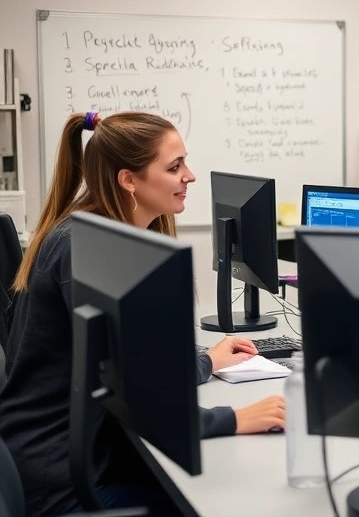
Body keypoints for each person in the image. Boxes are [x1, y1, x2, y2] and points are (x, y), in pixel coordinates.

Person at [0, 112, 287, 516]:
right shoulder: (86, 249)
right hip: (63, 484)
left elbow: (136, 367)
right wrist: (234, 419)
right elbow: (139, 397)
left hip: (82, 458)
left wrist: (205, 360)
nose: (190, 175)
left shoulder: (98, 234)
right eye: (174, 167)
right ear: (128, 180)